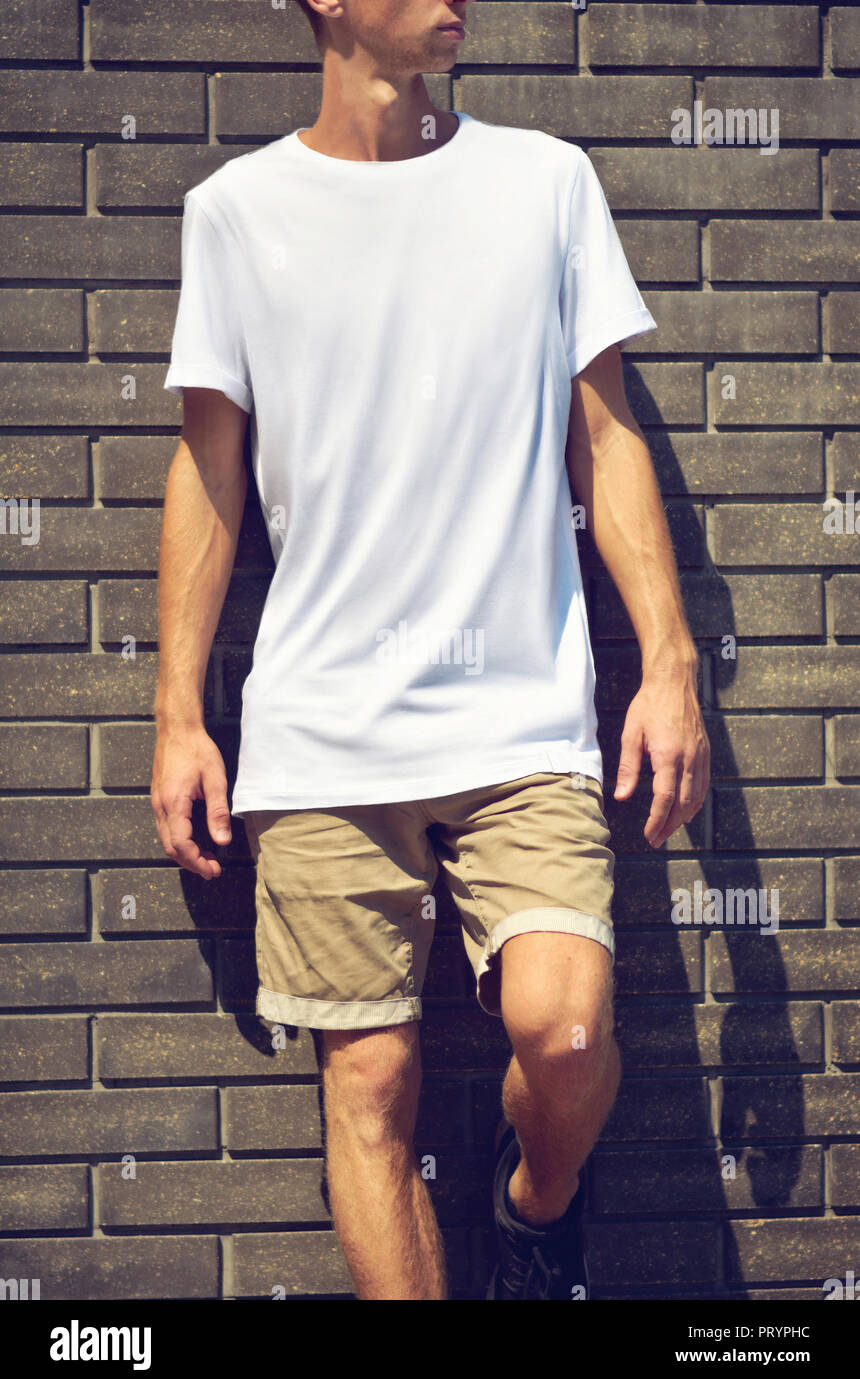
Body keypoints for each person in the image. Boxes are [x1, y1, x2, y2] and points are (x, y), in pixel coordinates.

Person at [152, 0, 710, 1300]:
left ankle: (538, 1197)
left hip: (523, 723)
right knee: (372, 1081)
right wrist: (179, 708)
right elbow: (208, 469)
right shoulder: (238, 216)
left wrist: (670, 660)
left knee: (562, 1031)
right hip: (324, 739)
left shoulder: (546, 186)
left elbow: (607, 434)